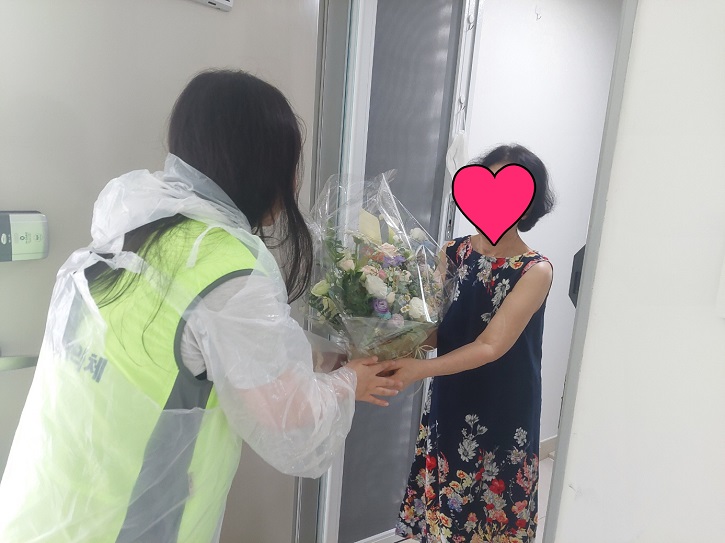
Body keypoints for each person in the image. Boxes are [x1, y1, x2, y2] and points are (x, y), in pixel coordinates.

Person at [0, 69, 401, 543]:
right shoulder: (228, 268)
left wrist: (320, 357)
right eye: (290, 163)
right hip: (125, 527)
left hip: (39, 510)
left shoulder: (132, 234)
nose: (294, 182)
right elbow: (286, 413)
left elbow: (189, 344)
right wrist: (351, 382)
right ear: (261, 166)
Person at [390, 144, 555, 543]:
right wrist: (391, 336)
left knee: (489, 508)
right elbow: (437, 329)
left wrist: (419, 369)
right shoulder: (453, 252)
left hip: (503, 405)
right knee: (446, 498)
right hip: (452, 393)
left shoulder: (535, 270)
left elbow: (489, 346)